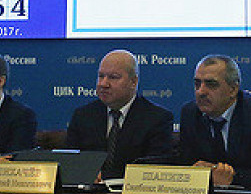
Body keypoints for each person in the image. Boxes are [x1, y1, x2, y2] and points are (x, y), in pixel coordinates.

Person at [178, 54, 251, 190]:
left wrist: (231, 176)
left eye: (211, 84)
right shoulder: (190, 113)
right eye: (197, 84)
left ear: (233, 90)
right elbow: (186, 165)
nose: (201, 91)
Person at [65, 49, 174, 180]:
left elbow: (153, 170)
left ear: (133, 82)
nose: (103, 84)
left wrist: (105, 177)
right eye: (101, 76)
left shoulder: (157, 118)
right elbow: (70, 163)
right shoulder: (83, 115)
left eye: (113, 77)